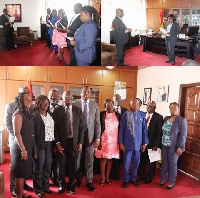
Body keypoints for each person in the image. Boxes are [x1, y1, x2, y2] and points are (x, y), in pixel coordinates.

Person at [4, 86, 33, 197]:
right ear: (19, 94)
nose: (26, 95)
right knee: (16, 168)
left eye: (28, 93)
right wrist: (19, 134)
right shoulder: (11, 106)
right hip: (16, 141)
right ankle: (14, 189)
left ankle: (22, 188)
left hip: (25, 141)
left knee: (23, 170)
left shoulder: (29, 107)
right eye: (24, 93)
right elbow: (8, 123)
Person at [54, 91, 84, 194]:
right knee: (61, 164)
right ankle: (62, 184)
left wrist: (80, 142)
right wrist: (57, 143)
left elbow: (81, 128)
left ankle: (71, 184)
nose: (68, 98)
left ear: (72, 98)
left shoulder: (78, 111)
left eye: (69, 97)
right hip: (61, 142)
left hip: (73, 141)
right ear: (62, 98)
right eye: (65, 97)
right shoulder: (58, 110)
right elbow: (55, 128)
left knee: (73, 164)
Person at [73, 86, 101, 191]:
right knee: (77, 160)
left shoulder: (95, 105)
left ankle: (89, 181)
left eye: (88, 92)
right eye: (84, 92)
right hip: (77, 137)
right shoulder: (75, 104)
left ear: (90, 94)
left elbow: (98, 123)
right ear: (80, 93)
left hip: (90, 136)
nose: (86, 94)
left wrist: (97, 138)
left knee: (90, 160)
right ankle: (78, 180)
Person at [119, 98, 149, 188]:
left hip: (138, 144)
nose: (134, 105)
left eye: (136, 104)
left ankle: (133, 179)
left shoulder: (142, 115)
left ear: (139, 105)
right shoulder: (125, 115)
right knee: (126, 164)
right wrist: (121, 142)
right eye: (133, 104)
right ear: (130, 105)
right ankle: (125, 180)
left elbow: (144, 130)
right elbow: (121, 129)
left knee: (136, 163)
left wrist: (145, 143)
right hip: (127, 144)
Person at [11, 91, 36, 198]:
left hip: (27, 146)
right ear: (21, 101)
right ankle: (19, 196)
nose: (29, 101)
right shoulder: (18, 114)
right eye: (26, 99)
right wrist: (23, 150)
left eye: (30, 99)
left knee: (24, 173)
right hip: (20, 148)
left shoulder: (27, 112)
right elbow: (17, 133)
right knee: (20, 174)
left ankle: (22, 193)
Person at [158, 102, 187, 190]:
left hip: (174, 147)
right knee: (164, 164)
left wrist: (180, 147)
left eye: (175, 108)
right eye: (171, 108)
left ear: (178, 109)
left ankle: (171, 182)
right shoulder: (166, 118)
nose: (173, 109)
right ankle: (163, 180)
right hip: (164, 144)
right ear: (169, 109)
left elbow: (183, 135)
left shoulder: (182, 120)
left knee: (172, 164)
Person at [32, 95, 54, 198]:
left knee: (47, 167)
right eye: (43, 102)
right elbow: (33, 135)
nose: (46, 104)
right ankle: (38, 189)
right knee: (38, 168)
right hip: (39, 144)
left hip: (49, 144)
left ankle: (45, 187)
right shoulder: (34, 116)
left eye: (47, 102)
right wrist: (34, 150)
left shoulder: (50, 114)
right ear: (38, 103)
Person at [95, 99, 120, 185]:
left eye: (111, 105)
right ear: (105, 106)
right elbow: (97, 127)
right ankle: (102, 177)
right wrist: (98, 140)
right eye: (107, 105)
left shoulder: (118, 115)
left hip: (114, 140)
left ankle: (108, 177)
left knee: (110, 159)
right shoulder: (101, 114)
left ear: (113, 105)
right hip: (104, 139)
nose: (109, 106)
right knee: (103, 158)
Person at [138, 101, 163, 184]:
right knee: (143, 160)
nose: (150, 108)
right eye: (148, 106)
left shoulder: (159, 117)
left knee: (152, 162)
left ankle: (149, 177)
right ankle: (142, 175)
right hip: (142, 143)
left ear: (155, 108)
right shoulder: (142, 115)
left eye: (152, 107)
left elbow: (159, 132)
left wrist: (156, 145)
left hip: (153, 144)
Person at [110, 94, 127, 180]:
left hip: (122, 136)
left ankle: (118, 173)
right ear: (113, 100)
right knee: (112, 156)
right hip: (111, 136)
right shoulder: (109, 110)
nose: (118, 100)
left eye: (119, 99)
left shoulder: (125, 110)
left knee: (120, 156)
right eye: (116, 99)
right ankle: (111, 173)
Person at [48, 89, 60, 186]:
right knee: (47, 161)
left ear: (58, 97)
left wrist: (57, 141)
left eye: (55, 96)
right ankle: (46, 180)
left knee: (56, 161)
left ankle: (55, 178)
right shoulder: (44, 107)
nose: (53, 97)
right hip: (46, 139)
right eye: (51, 96)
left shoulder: (61, 108)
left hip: (57, 139)